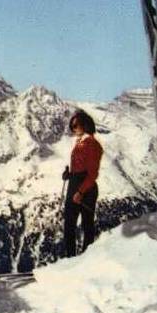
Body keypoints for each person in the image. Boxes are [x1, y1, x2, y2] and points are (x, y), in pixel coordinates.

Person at [62, 109, 103, 257]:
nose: (73, 128)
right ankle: (73, 259)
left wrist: (80, 192)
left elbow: (92, 174)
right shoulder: (81, 142)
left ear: (85, 125)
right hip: (76, 185)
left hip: (85, 189)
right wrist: (70, 174)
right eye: (72, 126)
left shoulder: (91, 144)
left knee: (85, 224)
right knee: (71, 224)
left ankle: (83, 259)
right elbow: (80, 166)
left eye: (76, 125)